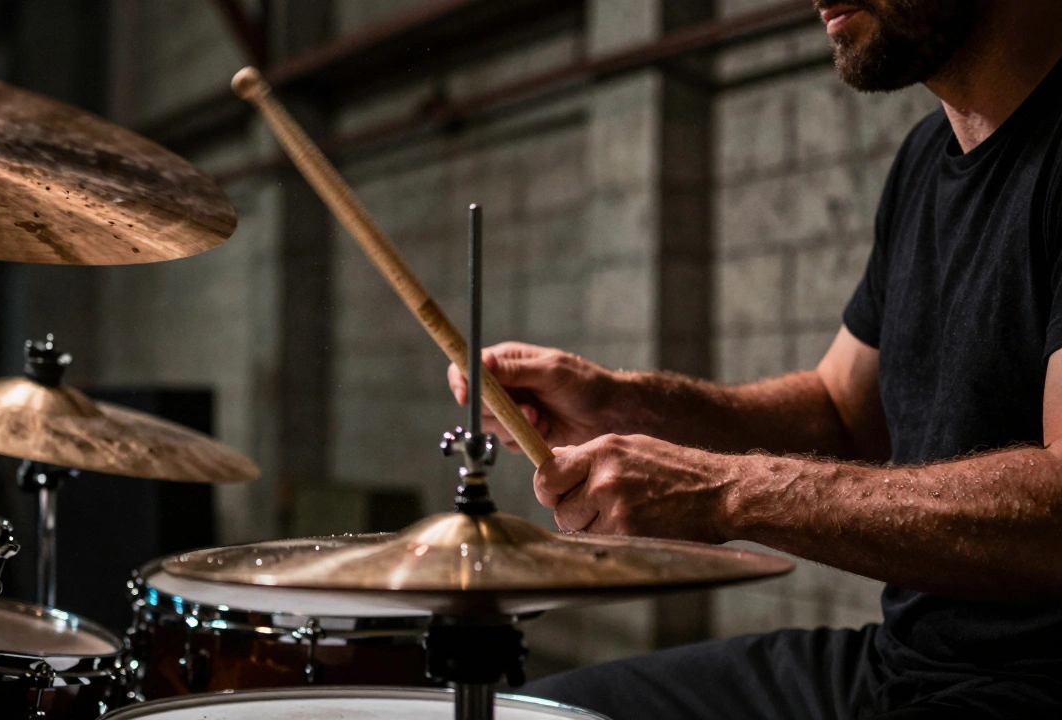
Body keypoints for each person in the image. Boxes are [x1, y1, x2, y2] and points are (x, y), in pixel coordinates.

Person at [447, 1, 1062, 717]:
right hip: (903, 664)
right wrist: (620, 403)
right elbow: (841, 411)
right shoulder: (925, 160)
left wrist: (725, 492)